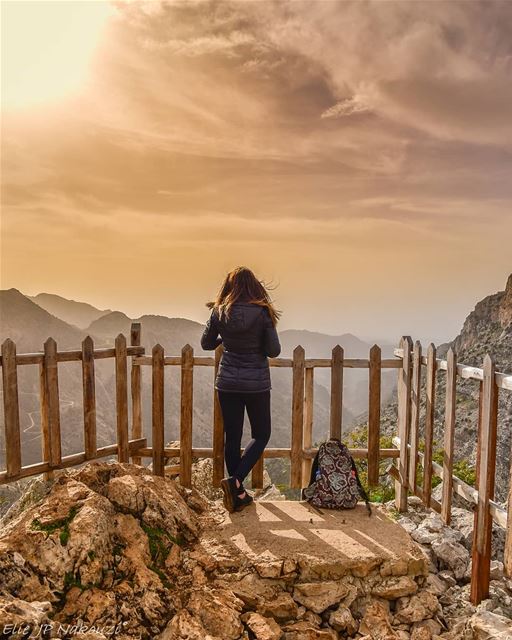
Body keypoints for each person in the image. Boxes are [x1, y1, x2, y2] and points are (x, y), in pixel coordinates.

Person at [201, 266, 281, 513]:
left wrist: (225, 340)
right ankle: (236, 482)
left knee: (232, 437)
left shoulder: (219, 312)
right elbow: (273, 351)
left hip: (227, 383)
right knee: (262, 434)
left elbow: (206, 343)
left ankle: (236, 493)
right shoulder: (262, 313)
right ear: (254, 285)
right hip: (255, 384)